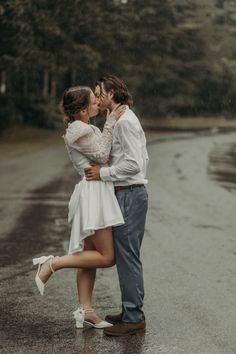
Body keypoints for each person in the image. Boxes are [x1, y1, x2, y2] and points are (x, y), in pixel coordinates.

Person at [32, 85, 125, 329]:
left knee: (89, 258)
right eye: (94, 101)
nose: (98, 103)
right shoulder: (78, 130)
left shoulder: (83, 127)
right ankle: (52, 264)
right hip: (94, 194)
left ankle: (87, 311)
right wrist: (112, 120)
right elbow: (103, 155)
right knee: (107, 257)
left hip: (97, 191)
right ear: (83, 110)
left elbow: (103, 155)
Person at [85, 75, 149, 336]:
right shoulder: (122, 119)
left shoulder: (124, 122)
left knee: (128, 257)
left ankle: (134, 317)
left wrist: (104, 173)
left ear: (112, 93)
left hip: (130, 194)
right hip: (127, 193)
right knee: (125, 256)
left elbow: (134, 164)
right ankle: (130, 310)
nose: (98, 98)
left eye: (100, 93)